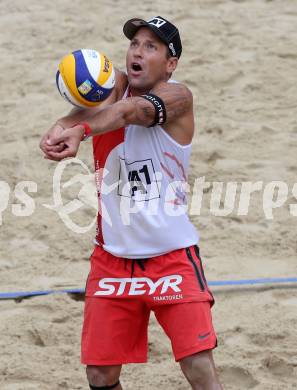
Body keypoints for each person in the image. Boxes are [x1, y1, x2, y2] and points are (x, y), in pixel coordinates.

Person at [40, 16, 223, 390]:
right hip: (112, 259)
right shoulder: (115, 88)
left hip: (171, 255)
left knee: (198, 365)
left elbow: (130, 113)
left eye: (151, 47)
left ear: (170, 63)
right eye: (135, 44)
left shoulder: (178, 98)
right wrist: (62, 126)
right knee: (100, 375)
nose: (137, 52)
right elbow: (95, 105)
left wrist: (80, 129)